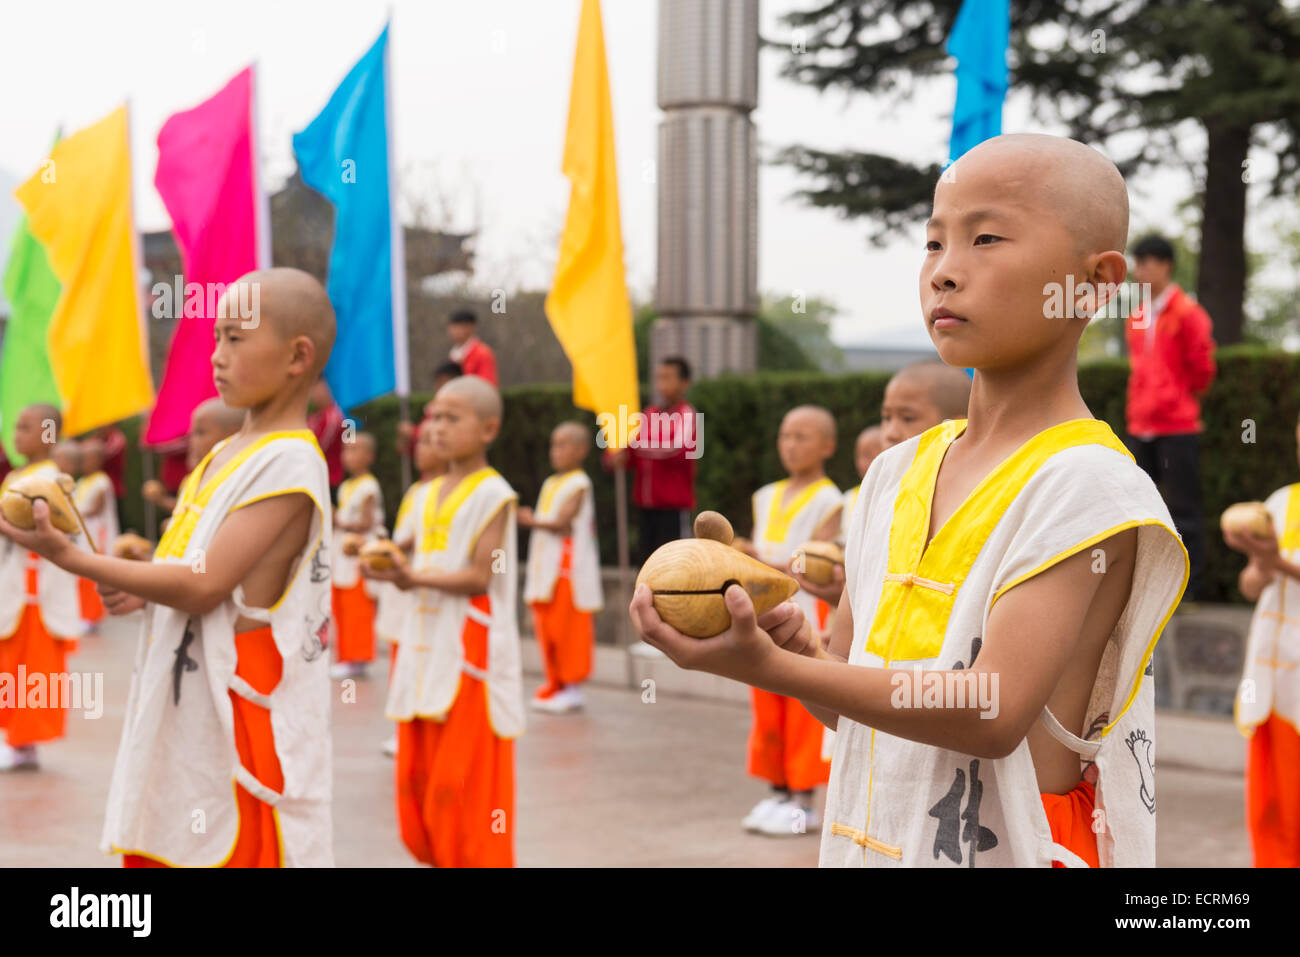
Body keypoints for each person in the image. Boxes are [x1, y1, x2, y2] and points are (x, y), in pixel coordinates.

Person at [630, 134, 1189, 868]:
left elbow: (992, 710)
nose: (945, 272)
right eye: (932, 243)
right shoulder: (895, 473)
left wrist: (771, 671)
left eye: (985, 237)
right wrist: (787, 649)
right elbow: (851, 704)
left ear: (1094, 282)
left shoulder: (1087, 482)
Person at [0, 268, 336, 867]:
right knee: (169, 842)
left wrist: (75, 559)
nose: (217, 355)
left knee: (220, 848)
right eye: (216, 339)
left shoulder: (290, 460)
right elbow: (197, 568)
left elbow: (204, 587)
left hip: (238, 709)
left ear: (297, 356)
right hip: (186, 698)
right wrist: (143, 576)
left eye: (235, 338)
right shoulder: (226, 456)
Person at [364, 375, 523, 867]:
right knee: (418, 782)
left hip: (467, 653)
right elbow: (404, 549)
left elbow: (480, 576)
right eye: (434, 416)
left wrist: (415, 579)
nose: (437, 426)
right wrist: (382, 561)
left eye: (452, 417)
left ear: (489, 428)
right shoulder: (426, 493)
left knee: (462, 784)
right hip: (421, 644)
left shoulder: (493, 493)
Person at [735, 405, 842, 835]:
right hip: (761, 613)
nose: (791, 445)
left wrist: (759, 560)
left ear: (827, 445)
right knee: (766, 704)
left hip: (806, 613)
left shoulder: (831, 500)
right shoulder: (764, 495)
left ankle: (802, 802)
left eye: (802, 436)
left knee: (803, 706)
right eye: (785, 436)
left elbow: (814, 564)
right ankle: (776, 791)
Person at [1224, 410, 1300, 866]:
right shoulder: (1281, 502)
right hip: (1271, 687)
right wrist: (1261, 564)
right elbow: (1251, 587)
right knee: (1270, 812)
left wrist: (1278, 561)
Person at [1126, 234, 1217, 602]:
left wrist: (1175, 399)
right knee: (1141, 510)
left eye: (1146, 262)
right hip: (1140, 424)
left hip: (1177, 427)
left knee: (1183, 510)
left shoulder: (1188, 313)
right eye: (1137, 262)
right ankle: (1145, 591)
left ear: (1165, 265)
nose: (1139, 271)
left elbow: (1202, 371)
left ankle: (1190, 593)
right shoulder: (1137, 315)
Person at [0, 405, 82, 771]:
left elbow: (47, 533)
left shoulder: (51, 479)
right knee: (9, 667)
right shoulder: (18, 474)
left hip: (37, 590)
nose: (17, 435)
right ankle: (15, 739)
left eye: (26, 427)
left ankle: (23, 743)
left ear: (49, 434)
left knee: (34, 670)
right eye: (16, 427)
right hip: (15, 584)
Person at [375, 420, 447, 757]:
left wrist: (385, 550)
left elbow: (415, 537)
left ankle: (413, 732)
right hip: (401, 586)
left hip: (420, 587)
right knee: (399, 662)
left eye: (429, 443)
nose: (421, 450)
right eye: (420, 443)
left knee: (418, 662)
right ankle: (404, 728)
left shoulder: (443, 490)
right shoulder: (417, 489)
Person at [521, 422, 603, 714]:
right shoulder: (551, 482)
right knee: (548, 630)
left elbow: (563, 522)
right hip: (547, 571)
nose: (555, 451)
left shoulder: (580, 483)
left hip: (568, 572)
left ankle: (573, 688)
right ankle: (555, 684)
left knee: (569, 630)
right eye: (553, 444)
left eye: (563, 444)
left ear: (581, 450)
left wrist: (530, 520)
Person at [607, 356, 698, 562]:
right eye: (659, 377)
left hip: (672, 509)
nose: (661, 383)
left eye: (668, 377)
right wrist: (616, 456)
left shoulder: (686, 414)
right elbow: (629, 449)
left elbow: (674, 448)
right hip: (646, 507)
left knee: (673, 565)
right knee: (647, 564)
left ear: (684, 383)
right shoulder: (649, 414)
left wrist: (635, 449)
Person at [331, 432, 383, 680]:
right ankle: (346, 656)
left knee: (357, 607)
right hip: (342, 555)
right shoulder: (345, 486)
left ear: (369, 456)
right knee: (341, 606)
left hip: (358, 556)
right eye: (345, 450)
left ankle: (358, 658)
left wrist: (337, 520)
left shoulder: (369, 486)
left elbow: (366, 522)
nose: (348, 456)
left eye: (354, 450)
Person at [143, 398, 245, 516]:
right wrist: (161, 500)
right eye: (191, 434)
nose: (192, 441)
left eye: (201, 432)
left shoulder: (233, 481)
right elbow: (187, 511)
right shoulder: (191, 480)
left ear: (233, 435)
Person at [74, 437, 119, 635]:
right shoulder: (82, 481)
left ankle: (92, 617)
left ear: (98, 460)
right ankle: (82, 613)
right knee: (81, 576)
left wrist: (74, 513)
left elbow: (96, 508)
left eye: (86, 458)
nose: (82, 462)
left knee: (92, 576)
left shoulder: (101, 481)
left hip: (96, 536)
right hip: (82, 535)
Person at [308, 378, 347, 487]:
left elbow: (319, 446)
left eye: (317, 389)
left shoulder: (334, 416)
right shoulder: (315, 417)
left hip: (330, 478)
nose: (314, 394)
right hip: (317, 477)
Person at [447, 309, 498, 386]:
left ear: (471, 327)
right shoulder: (454, 354)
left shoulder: (483, 353)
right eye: (452, 327)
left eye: (458, 326)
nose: (454, 331)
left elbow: (487, 385)